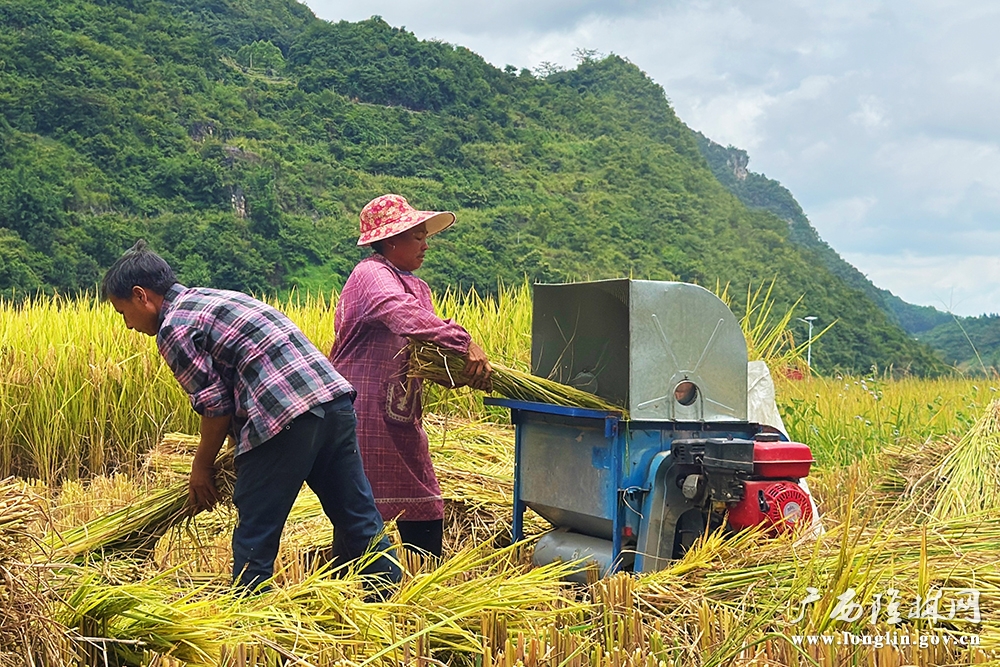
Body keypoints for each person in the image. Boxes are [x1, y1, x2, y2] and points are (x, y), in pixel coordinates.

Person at [101, 240, 400, 591]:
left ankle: (252, 616)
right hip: (334, 404)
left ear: (141, 296)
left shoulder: (174, 328)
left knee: (255, 532)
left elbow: (215, 405)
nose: (128, 325)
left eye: (123, 313)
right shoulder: (217, 299)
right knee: (358, 518)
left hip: (283, 417)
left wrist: (203, 466)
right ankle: (392, 602)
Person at [330, 194, 492, 558]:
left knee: (424, 500)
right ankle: (357, 591)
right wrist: (464, 342)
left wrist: (466, 374)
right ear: (391, 241)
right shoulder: (371, 275)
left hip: (401, 411)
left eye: (424, 236)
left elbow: (426, 354)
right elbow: (401, 315)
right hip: (363, 409)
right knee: (360, 505)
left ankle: (424, 586)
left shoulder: (419, 287)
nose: (425, 244)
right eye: (417, 236)